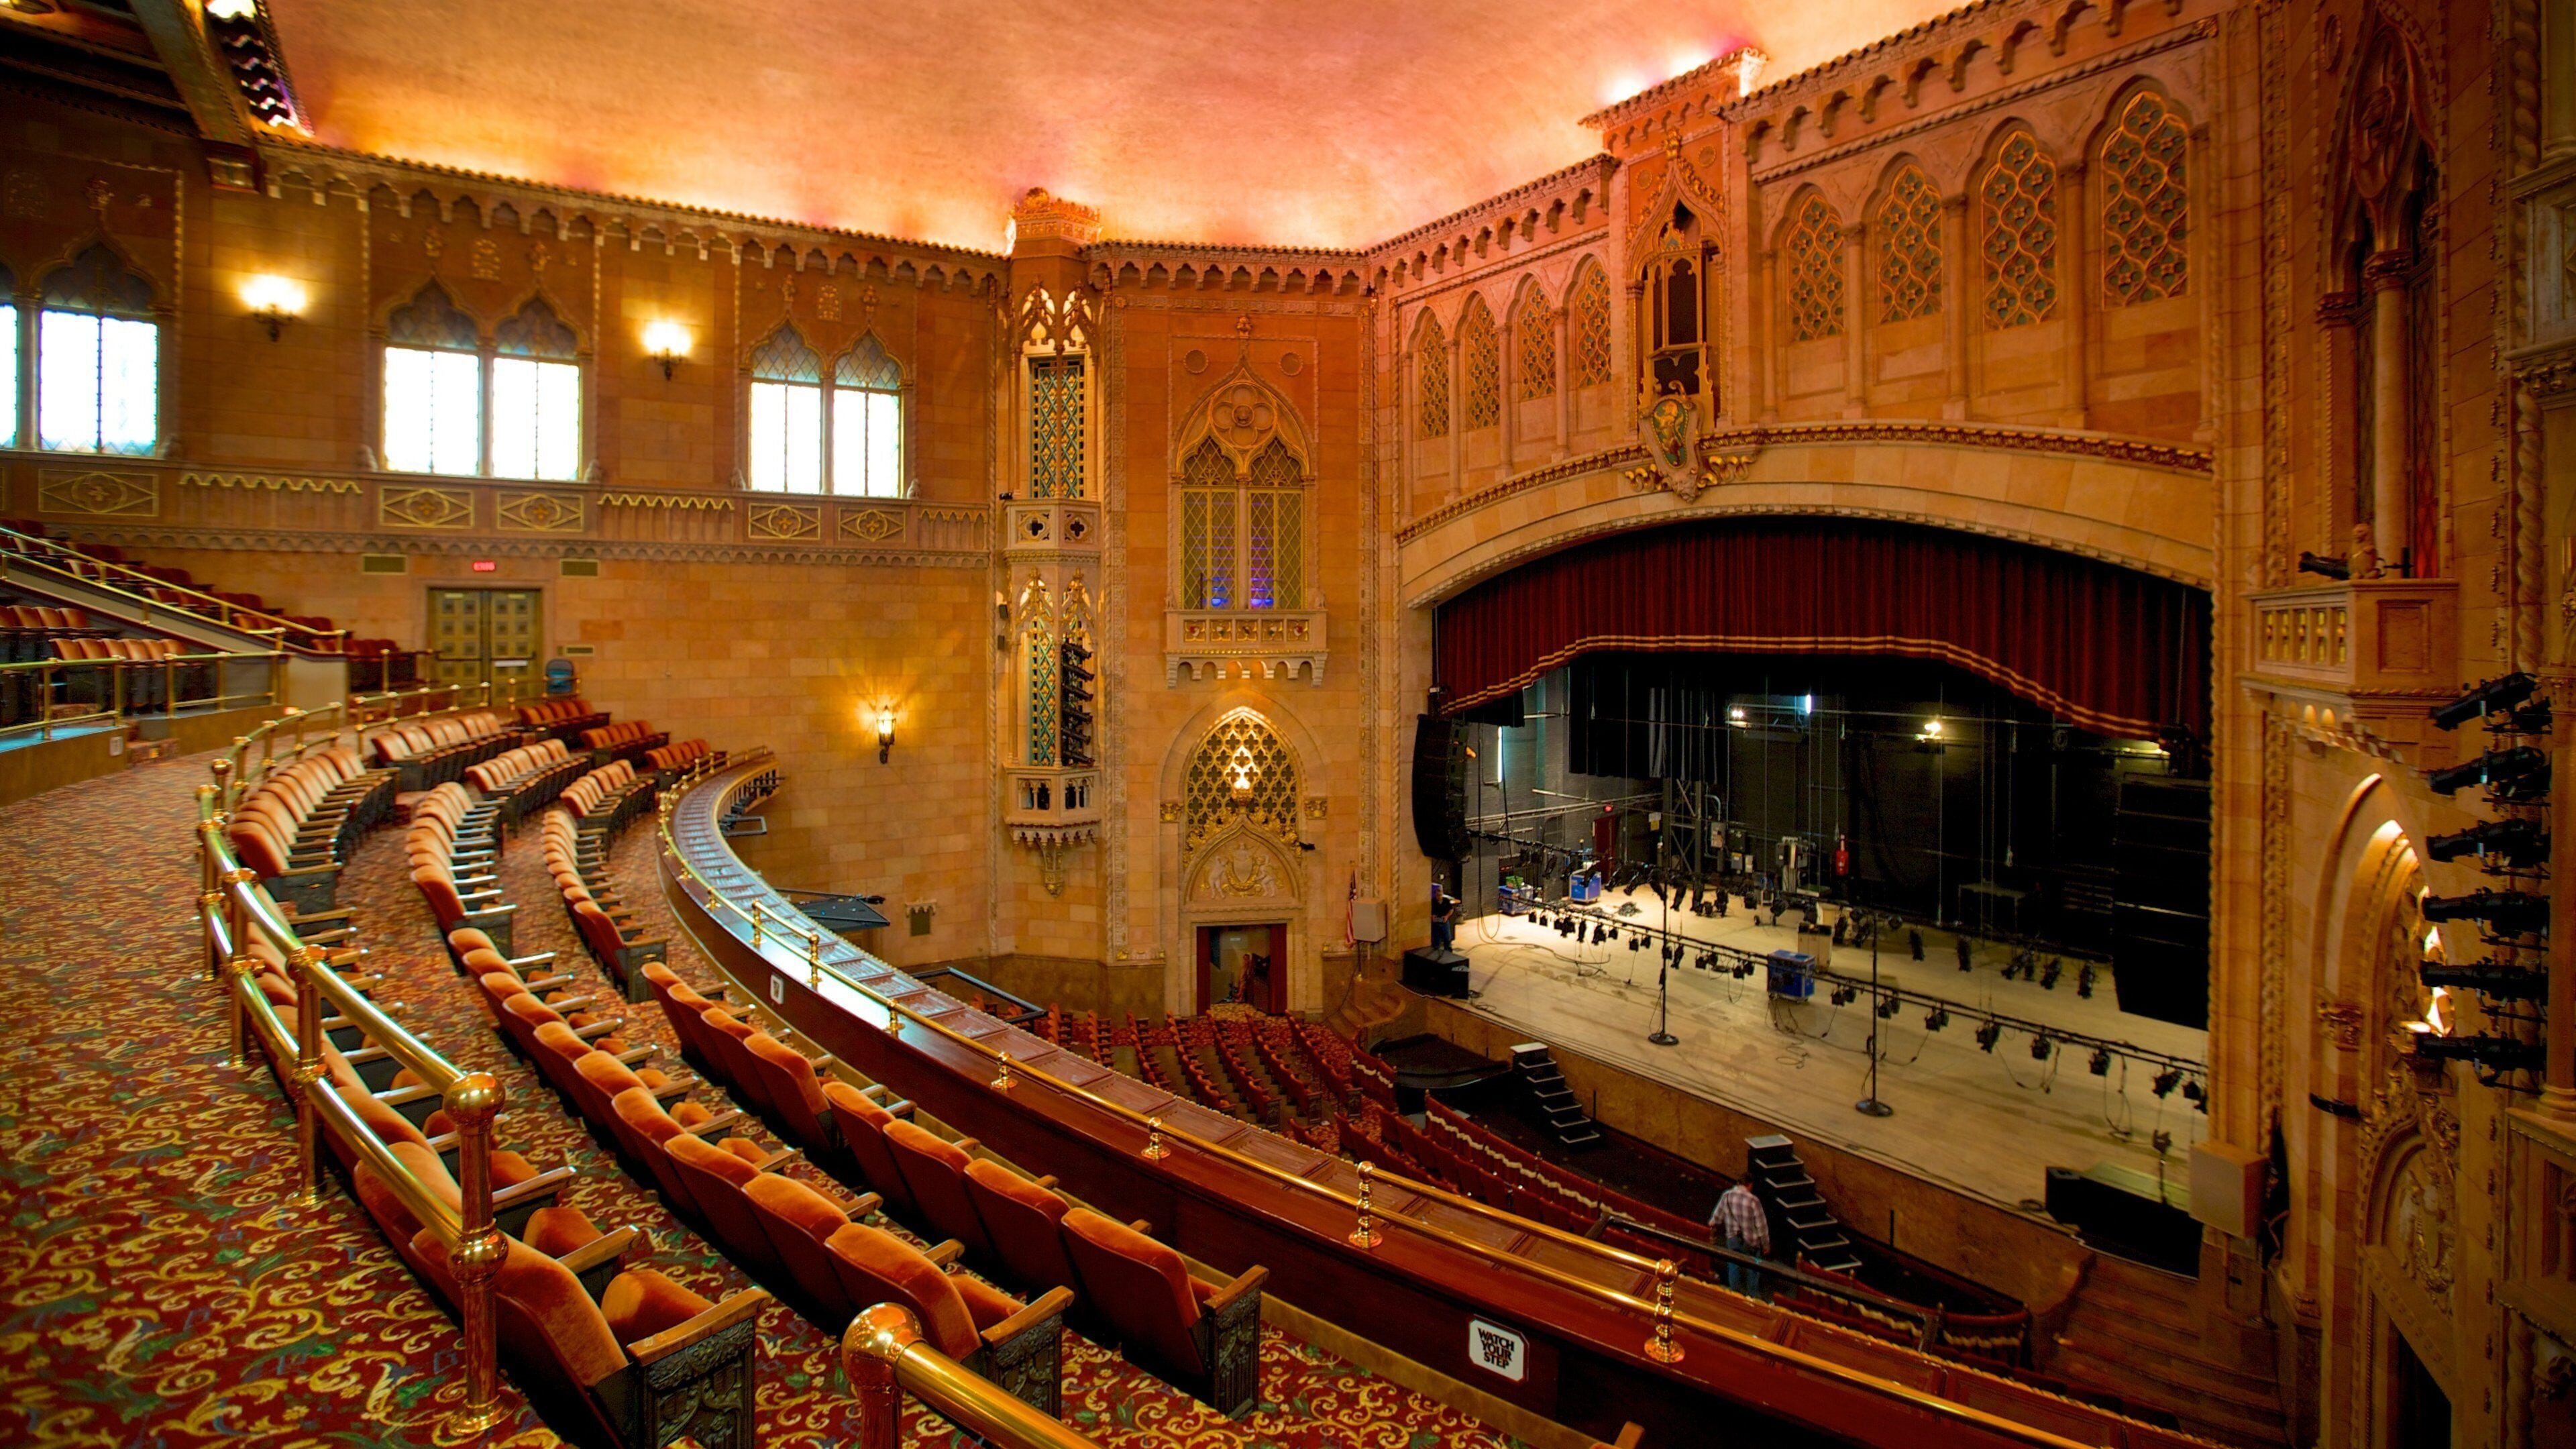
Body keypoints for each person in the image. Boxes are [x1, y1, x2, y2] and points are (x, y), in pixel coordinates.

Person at [1709, 1181, 1770, 1300]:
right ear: (1750, 1185)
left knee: (1733, 1264)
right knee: (1754, 1266)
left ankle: (1734, 1294)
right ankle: (1751, 1296)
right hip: (1751, 1241)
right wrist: (1765, 1244)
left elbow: (1715, 1219)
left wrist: (1712, 1226)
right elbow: (1761, 1225)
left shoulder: (1727, 1196)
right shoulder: (1754, 1201)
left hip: (1733, 1238)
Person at [1430, 888, 1458, 955]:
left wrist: (1447, 916)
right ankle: (1435, 952)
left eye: (1440, 895)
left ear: (1442, 894)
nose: (1439, 897)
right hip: (1435, 923)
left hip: (1444, 922)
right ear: (1435, 895)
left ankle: (1448, 953)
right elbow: (1428, 910)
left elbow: (1451, 910)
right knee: (1436, 939)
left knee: (1447, 938)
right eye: (1437, 895)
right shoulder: (1433, 902)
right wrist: (1432, 916)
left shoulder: (1446, 901)